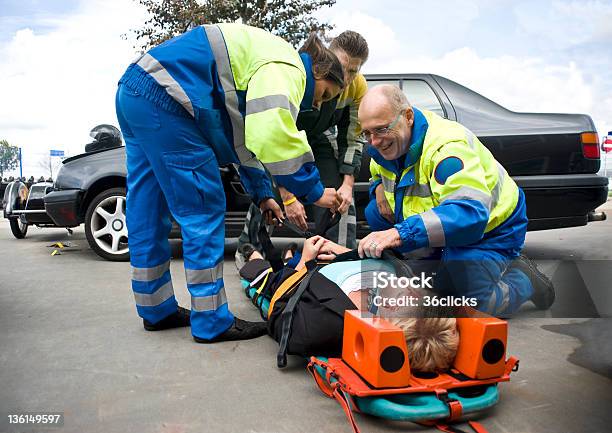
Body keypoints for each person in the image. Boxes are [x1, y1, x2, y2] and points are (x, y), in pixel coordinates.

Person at [115, 23, 345, 343]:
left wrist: (264, 194)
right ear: (317, 70)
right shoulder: (289, 66)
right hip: (171, 99)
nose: (317, 105)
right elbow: (272, 135)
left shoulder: (262, 60)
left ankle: (156, 309)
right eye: (324, 94)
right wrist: (316, 192)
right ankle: (211, 321)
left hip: (136, 91)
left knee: (148, 209)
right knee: (203, 208)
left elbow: (243, 141)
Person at [354, 85, 555, 317]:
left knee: (468, 306)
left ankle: (524, 279)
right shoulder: (389, 141)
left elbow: (469, 213)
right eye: (366, 133)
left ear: (408, 117)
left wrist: (399, 233)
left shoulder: (447, 148)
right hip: (447, 222)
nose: (374, 142)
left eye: (380, 130)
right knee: (375, 214)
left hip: (490, 228)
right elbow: (376, 167)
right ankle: (439, 268)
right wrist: (377, 187)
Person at [235, 30, 369, 265]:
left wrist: (347, 184)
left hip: (320, 139)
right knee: (270, 190)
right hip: (284, 135)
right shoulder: (298, 74)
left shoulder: (358, 88)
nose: (346, 78)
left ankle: (338, 256)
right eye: (341, 67)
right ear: (327, 57)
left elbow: (352, 137)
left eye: (353, 71)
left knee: (337, 194)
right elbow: (274, 140)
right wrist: (288, 197)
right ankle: (249, 248)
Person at [240, 236, 459, 373]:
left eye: (408, 294)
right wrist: (342, 251)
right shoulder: (407, 287)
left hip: (295, 278)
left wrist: (303, 264)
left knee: (264, 272)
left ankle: (256, 255)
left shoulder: (324, 325)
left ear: (389, 314)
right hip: (332, 259)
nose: (411, 286)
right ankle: (290, 255)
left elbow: (278, 311)